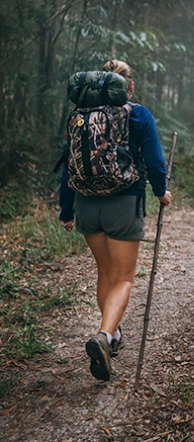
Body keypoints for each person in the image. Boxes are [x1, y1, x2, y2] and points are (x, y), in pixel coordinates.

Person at [59, 58, 172, 381]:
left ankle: (115, 335)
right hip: (123, 203)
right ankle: (105, 336)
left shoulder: (78, 116)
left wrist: (66, 210)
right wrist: (161, 191)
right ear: (128, 86)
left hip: (86, 205)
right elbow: (153, 158)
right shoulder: (137, 113)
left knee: (105, 273)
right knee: (123, 278)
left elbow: (68, 166)